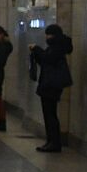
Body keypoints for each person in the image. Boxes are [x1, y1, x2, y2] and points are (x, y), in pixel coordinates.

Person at [30, 24, 74, 152]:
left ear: (54, 35)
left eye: (48, 35)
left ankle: (54, 142)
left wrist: (37, 49)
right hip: (49, 84)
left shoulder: (58, 47)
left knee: (50, 114)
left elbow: (48, 59)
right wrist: (37, 53)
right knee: (49, 114)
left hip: (52, 85)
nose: (47, 37)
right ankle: (51, 141)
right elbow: (45, 61)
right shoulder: (55, 47)